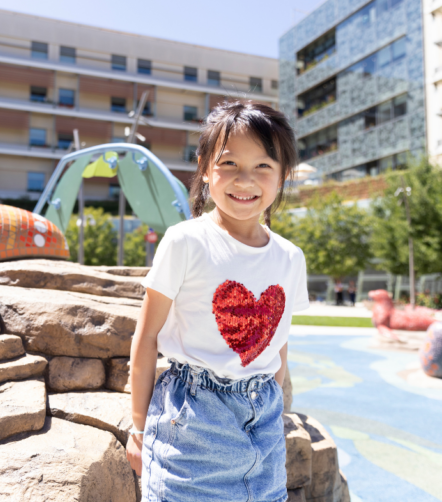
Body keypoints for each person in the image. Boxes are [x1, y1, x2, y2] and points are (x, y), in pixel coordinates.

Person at [125, 101, 309, 502]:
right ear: (206, 168)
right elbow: (146, 338)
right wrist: (137, 429)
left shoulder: (290, 257)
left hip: (264, 426)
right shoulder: (185, 241)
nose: (245, 180)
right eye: (229, 164)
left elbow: (278, 346)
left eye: (263, 166)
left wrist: (271, 409)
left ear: (282, 176)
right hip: (192, 425)